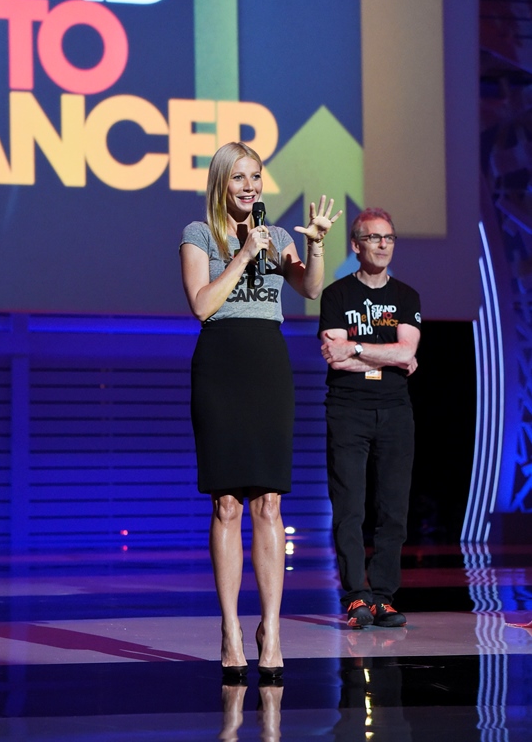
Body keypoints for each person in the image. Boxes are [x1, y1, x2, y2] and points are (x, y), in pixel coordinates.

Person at [180, 141, 340, 677]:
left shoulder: (278, 237)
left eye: (256, 176)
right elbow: (202, 305)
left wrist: (315, 245)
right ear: (221, 183)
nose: (249, 186)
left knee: (269, 501)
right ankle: (230, 630)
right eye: (239, 177)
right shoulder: (199, 234)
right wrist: (245, 253)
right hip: (221, 367)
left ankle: (271, 629)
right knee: (227, 503)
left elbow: (309, 288)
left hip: (268, 366)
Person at [318, 208, 421, 629]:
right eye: (374, 238)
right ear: (356, 245)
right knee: (349, 507)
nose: (383, 245)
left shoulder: (407, 296)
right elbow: (335, 359)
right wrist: (388, 355)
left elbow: (407, 351)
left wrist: (357, 348)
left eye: (389, 238)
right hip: (348, 408)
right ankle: (356, 596)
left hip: (395, 409)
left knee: (393, 508)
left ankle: (384, 597)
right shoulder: (337, 295)